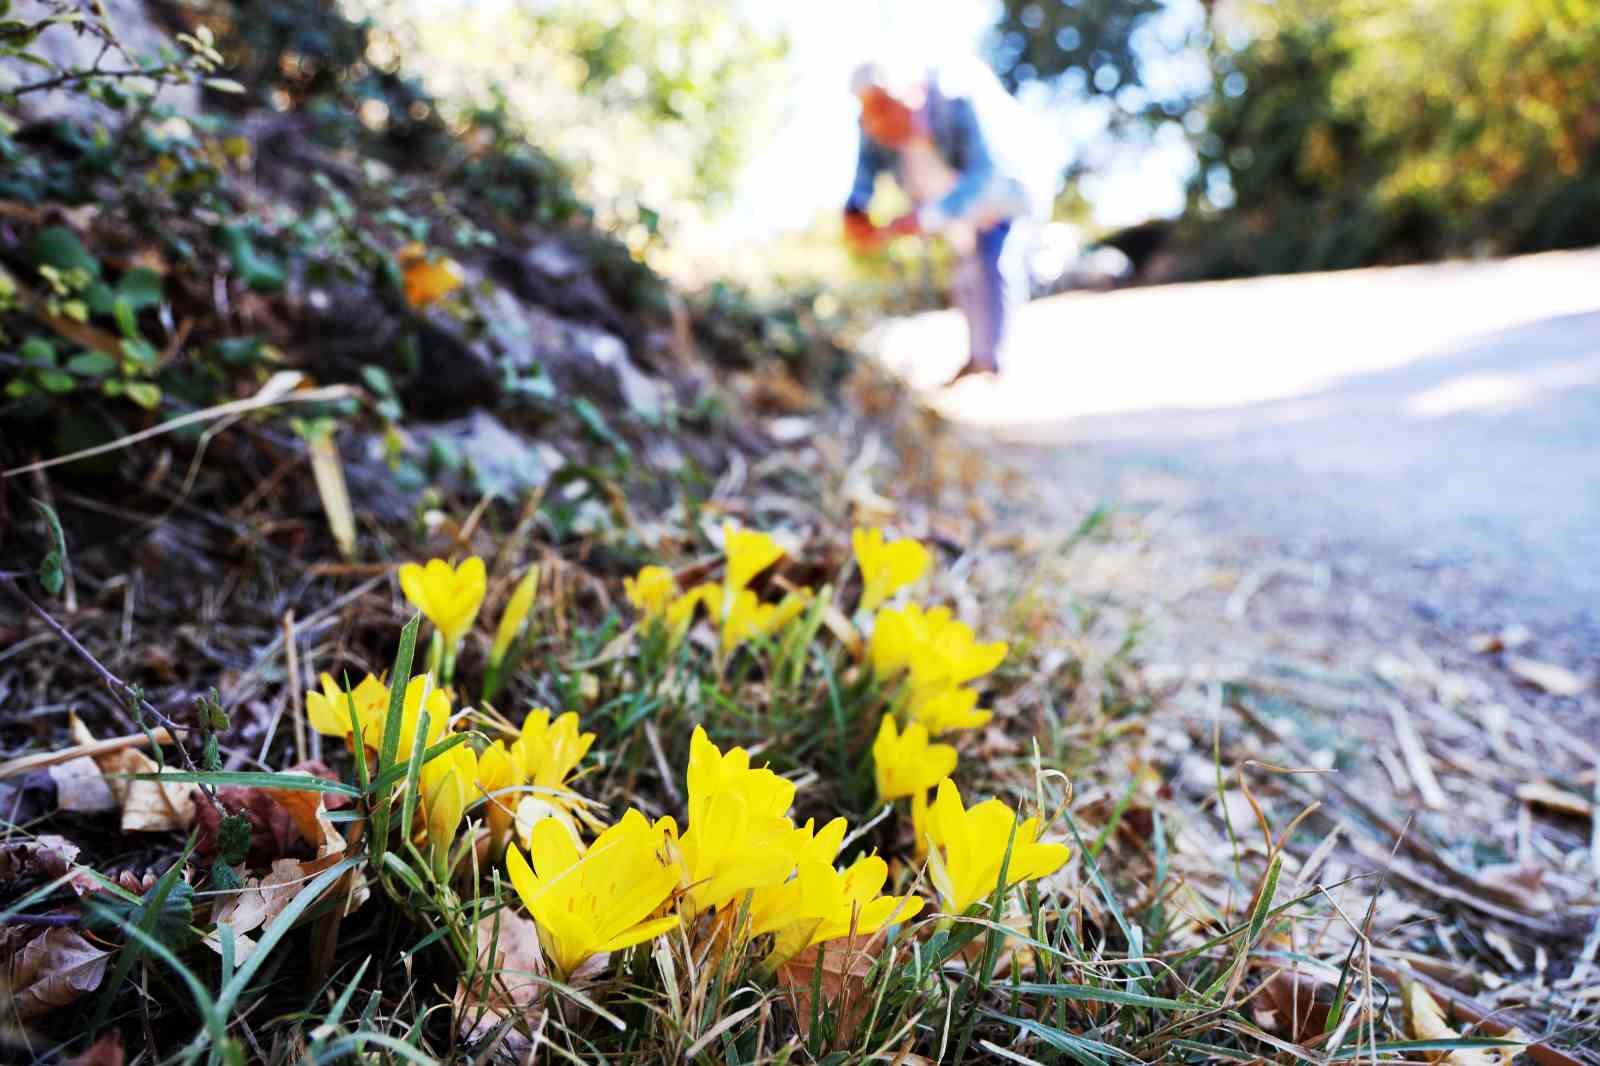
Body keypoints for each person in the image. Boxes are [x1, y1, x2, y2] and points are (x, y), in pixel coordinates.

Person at [844, 57, 1058, 383]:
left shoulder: (957, 100)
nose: (879, 125)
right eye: (871, 115)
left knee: (994, 263)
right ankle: (977, 357)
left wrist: (925, 218)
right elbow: (865, 172)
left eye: (887, 109)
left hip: (1004, 193)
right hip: (955, 205)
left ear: (911, 94)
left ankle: (992, 361)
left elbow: (985, 171)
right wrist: (855, 210)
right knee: (966, 275)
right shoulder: (874, 122)